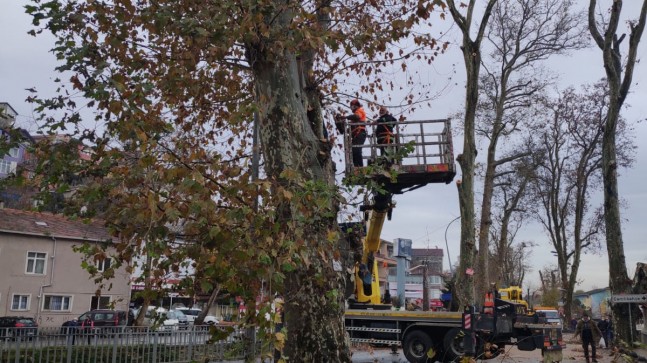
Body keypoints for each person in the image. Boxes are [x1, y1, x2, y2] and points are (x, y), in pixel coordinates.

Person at [335, 99, 367, 167]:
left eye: (353, 106)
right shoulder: (353, 120)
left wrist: (345, 117)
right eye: (351, 107)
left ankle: (360, 168)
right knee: (353, 151)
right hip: (356, 135)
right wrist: (339, 123)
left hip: (360, 133)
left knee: (356, 150)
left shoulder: (360, 111)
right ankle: (356, 167)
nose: (352, 108)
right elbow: (344, 131)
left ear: (357, 106)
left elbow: (357, 116)